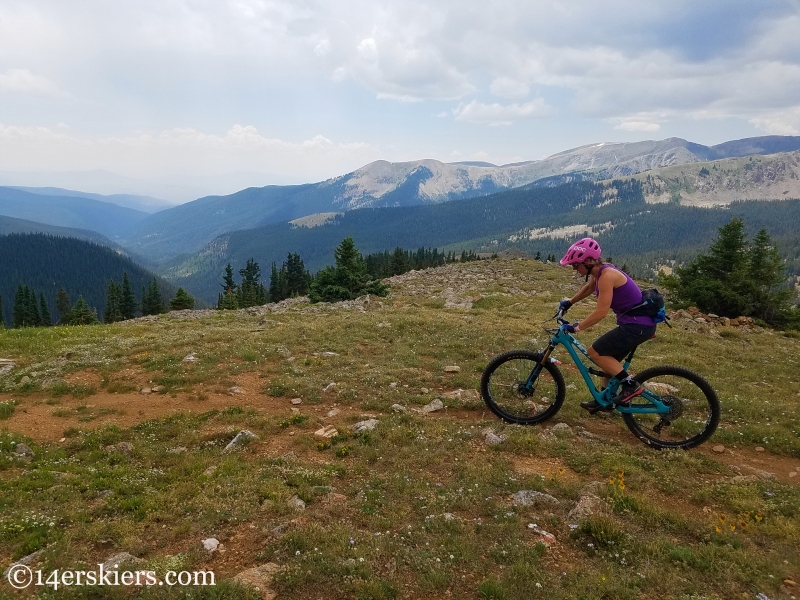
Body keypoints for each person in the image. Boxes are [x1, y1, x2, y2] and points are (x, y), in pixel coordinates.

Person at [557, 237, 657, 413]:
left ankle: (630, 386)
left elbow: (601, 313)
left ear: (588, 261)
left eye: (575, 265)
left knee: (594, 352)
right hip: (637, 324)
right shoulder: (599, 272)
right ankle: (604, 399)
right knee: (609, 361)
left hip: (636, 326)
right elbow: (589, 288)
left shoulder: (606, 276)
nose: (575, 269)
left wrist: (577, 327)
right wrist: (570, 302)